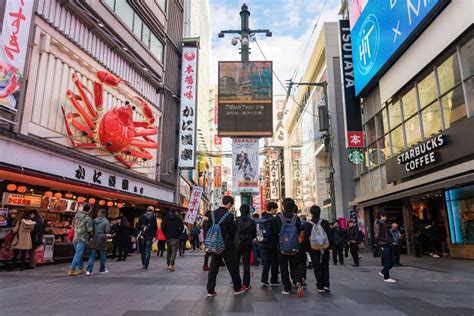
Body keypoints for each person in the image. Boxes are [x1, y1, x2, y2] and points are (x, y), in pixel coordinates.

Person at [205, 196, 247, 297]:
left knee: (213, 267)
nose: (231, 207)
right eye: (231, 205)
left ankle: (210, 290)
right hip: (226, 245)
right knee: (232, 266)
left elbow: (207, 228)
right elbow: (233, 231)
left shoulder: (212, 213)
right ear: (229, 204)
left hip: (215, 244)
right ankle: (237, 287)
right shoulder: (228, 215)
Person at [274, 198, 304, 296]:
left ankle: (287, 288)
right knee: (295, 266)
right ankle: (297, 282)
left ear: (283, 206)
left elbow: (275, 233)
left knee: (283, 267)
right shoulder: (297, 218)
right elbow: (299, 230)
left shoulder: (278, 218)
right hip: (294, 246)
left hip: (282, 246)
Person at [303, 205, 332, 293]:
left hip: (313, 249)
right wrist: (329, 247)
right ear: (320, 212)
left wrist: (308, 249)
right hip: (325, 248)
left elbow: (305, 239)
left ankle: (320, 286)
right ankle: (326, 285)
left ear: (311, 213)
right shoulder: (325, 223)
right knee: (325, 265)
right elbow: (330, 236)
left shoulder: (307, 224)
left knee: (317, 266)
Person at [235, 204, 257, 289]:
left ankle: (236, 282)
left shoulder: (236, 220)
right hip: (247, 244)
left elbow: (233, 232)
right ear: (249, 211)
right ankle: (246, 284)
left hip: (237, 244)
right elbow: (254, 234)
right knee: (246, 265)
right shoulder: (252, 221)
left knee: (236, 264)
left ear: (240, 210)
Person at [259, 202, 281, 287]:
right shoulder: (273, 219)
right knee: (275, 262)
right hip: (273, 244)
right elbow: (276, 232)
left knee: (266, 263)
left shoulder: (261, 219)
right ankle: (273, 280)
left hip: (263, 243)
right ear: (272, 209)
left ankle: (264, 280)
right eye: (276, 209)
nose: (276, 210)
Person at [68, 204, 93, 276]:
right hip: (82, 237)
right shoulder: (88, 219)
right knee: (78, 253)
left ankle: (81, 268)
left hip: (75, 237)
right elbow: (89, 229)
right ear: (89, 209)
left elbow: (72, 225)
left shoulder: (77, 216)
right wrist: (92, 234)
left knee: (79, 253)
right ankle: (72, 269)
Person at [374, 211, 397, 282]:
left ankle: (383, 272)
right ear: (381, 216)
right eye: (384, 216)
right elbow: (377, 236)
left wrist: (391, 241)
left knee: (392, 261)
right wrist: (386, 240)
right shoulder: (378, 224)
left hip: (388, 244)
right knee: (387, 261)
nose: (385, 217)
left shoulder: (383, 224)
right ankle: (386, 277)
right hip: (383, 244)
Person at [86, 208, 110, 275]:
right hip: (102, 238)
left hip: (95, 237)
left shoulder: (94, 220)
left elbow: (91, 229)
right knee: (102, 255)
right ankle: (102, 269)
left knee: (92, 255)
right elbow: (107, 230)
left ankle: (89, 270)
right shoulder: (106, 221)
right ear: (105, 213)